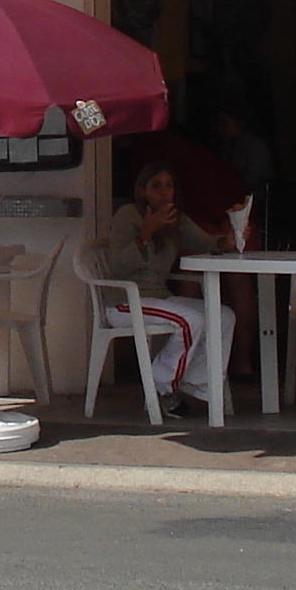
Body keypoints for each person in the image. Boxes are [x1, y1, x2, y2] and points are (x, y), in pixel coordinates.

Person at [97, 161, 235, 422]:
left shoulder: (175, 219)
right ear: (141, 191)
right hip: (126, 300)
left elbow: (206, 241)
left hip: (159, 297)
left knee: (223, 315)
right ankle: (162, 385)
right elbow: (118, 267)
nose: (163, 192)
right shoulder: (128, 216)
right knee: (190, 320)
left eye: (169, 186)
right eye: (156, 186)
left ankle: (195, 382)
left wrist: (225, 241)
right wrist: (146, 233)